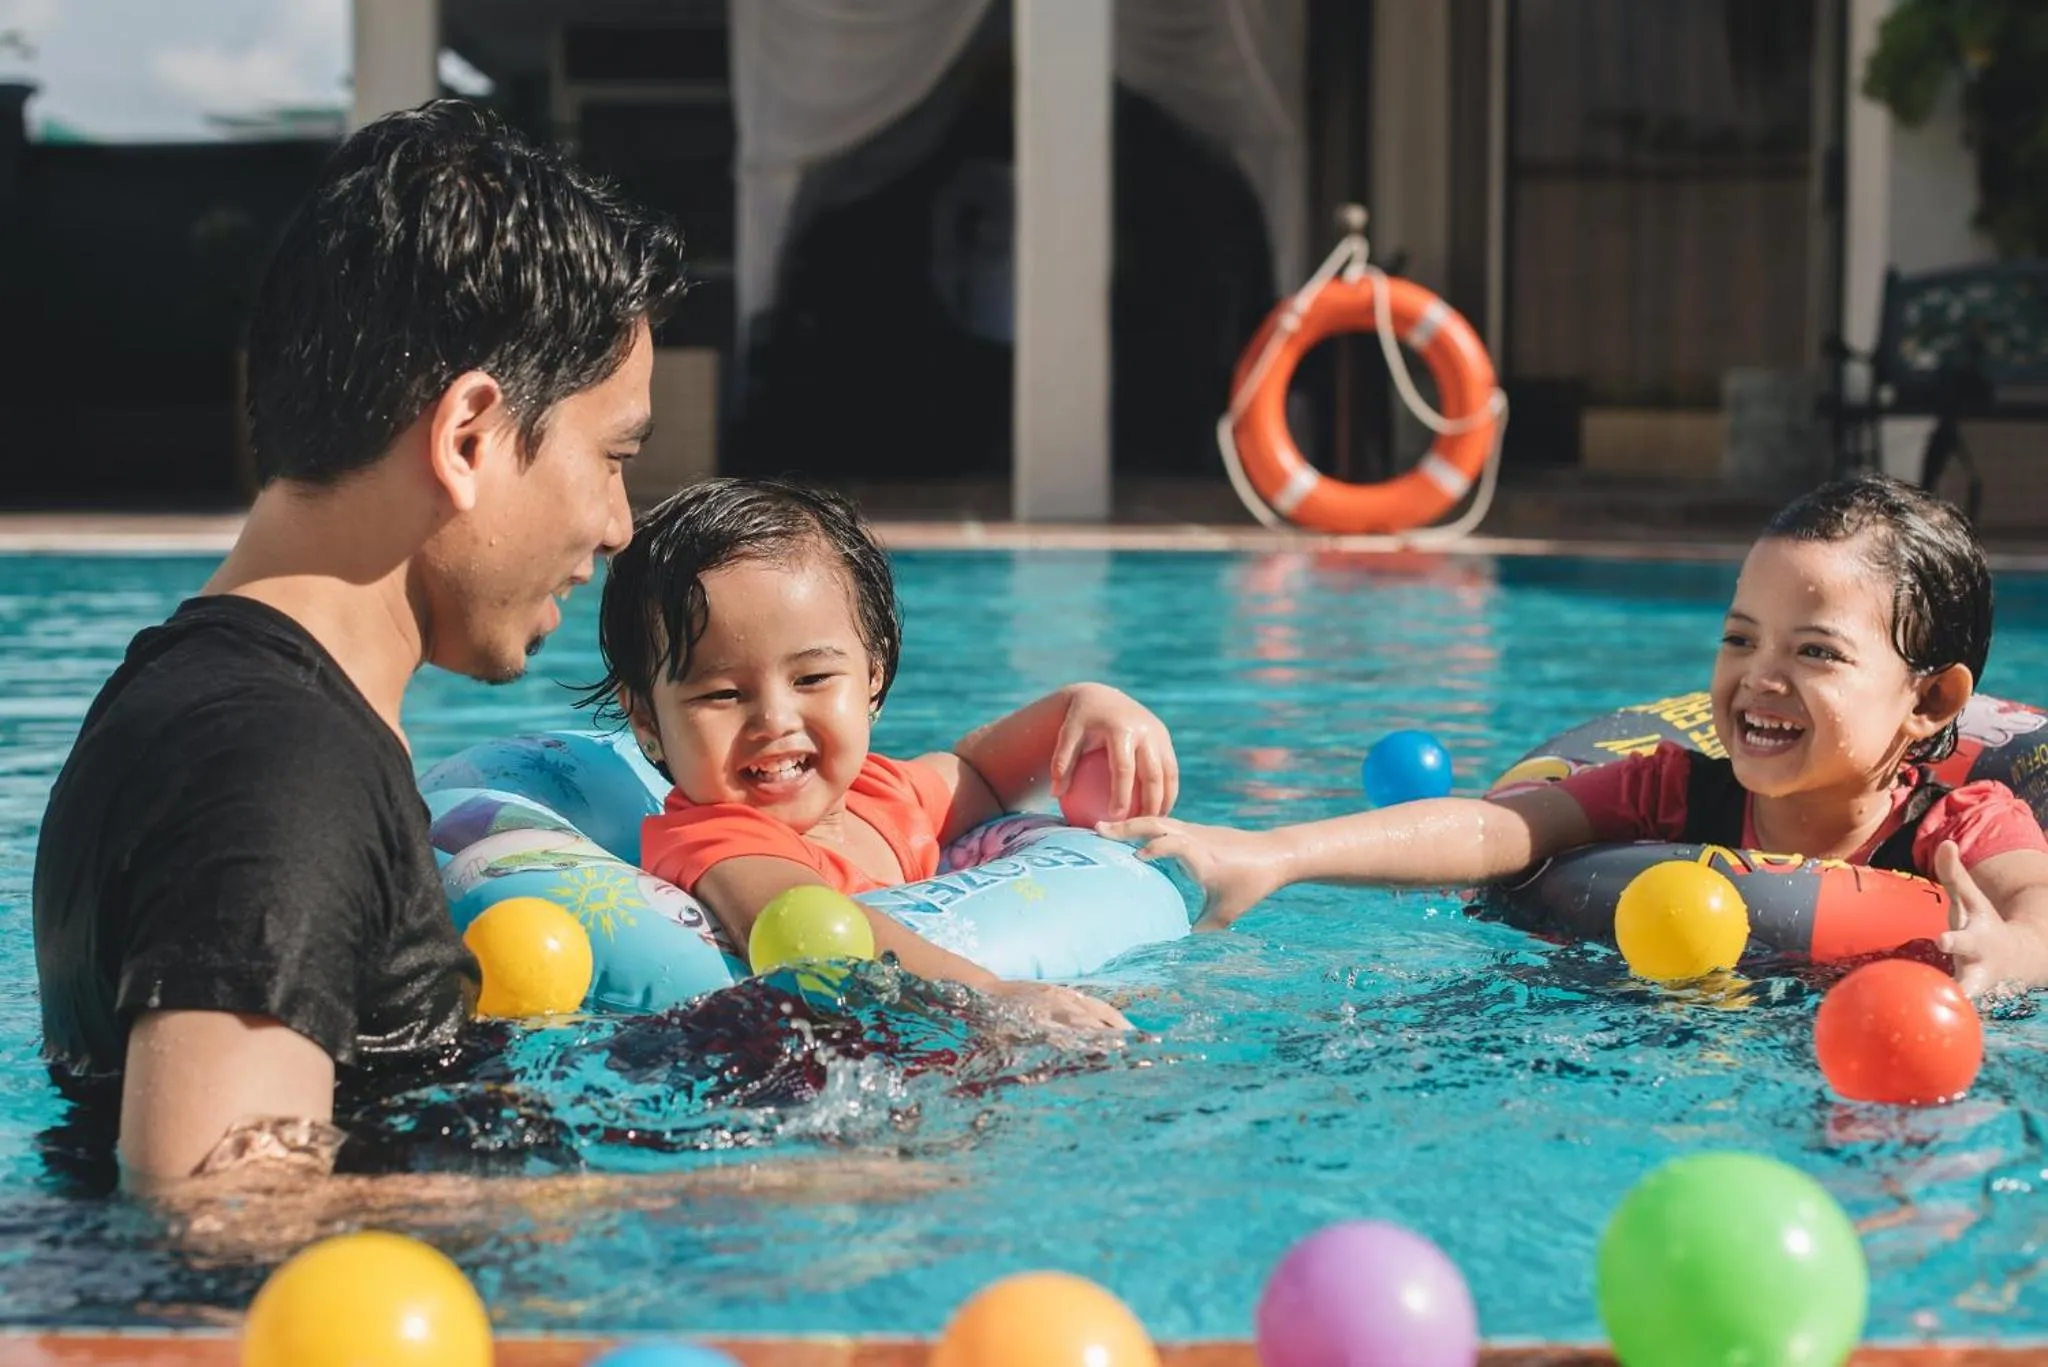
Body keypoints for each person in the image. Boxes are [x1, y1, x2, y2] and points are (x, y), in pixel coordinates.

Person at [31, 99, 687, 1189]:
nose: (618, 525)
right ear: (469, 436)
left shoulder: (200, 699)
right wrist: (687, 1198)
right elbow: (219, 1219)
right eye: (612, 457)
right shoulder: (278, 762)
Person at [1103, 476, 2048, 996]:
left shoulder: (1964, 821)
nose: (1760, 676)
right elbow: (1493, 829)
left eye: (1815, 651)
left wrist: (2006, 955)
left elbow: (2037, 913)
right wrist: (1274, 853)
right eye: (1738, 638)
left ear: (1930, 705)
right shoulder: (1677, 788)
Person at [583, 477, 1179, 1031]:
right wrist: (994, 996)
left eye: (812, 679)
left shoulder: (878, 793)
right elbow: (802, 926)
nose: (774, 721)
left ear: (873, 675)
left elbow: (981, 773)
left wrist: (1085, 703)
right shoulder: (715, 839)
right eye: (723, 694)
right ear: (646, 718)